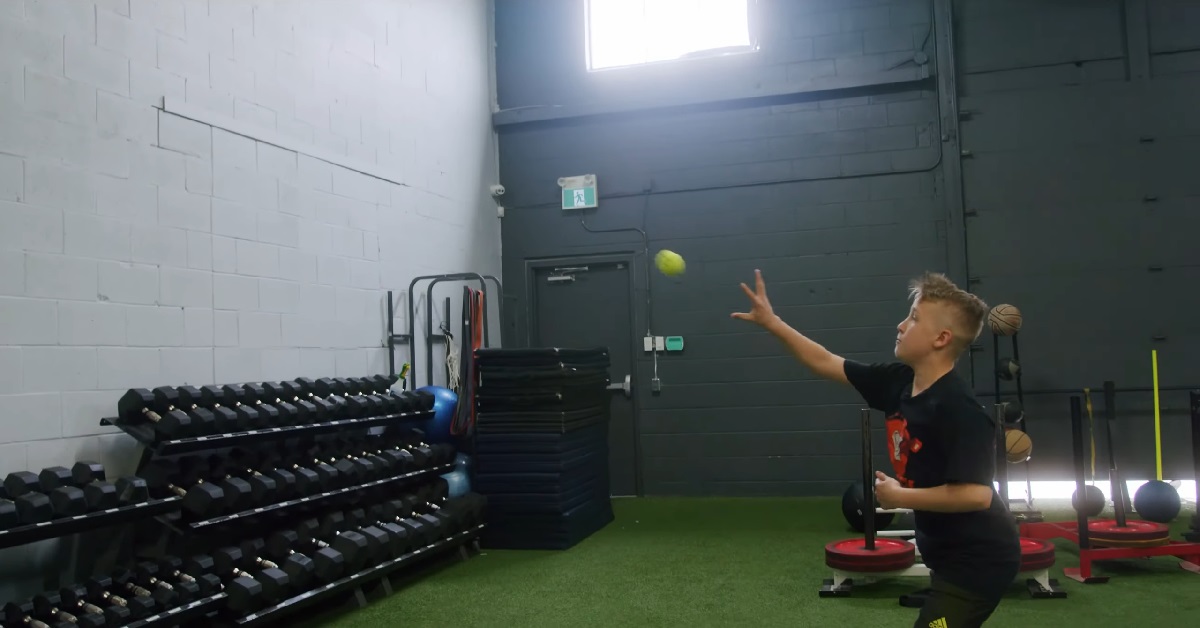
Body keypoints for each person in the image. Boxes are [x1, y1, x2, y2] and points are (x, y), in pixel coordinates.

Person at [732, 269, 1020, 628]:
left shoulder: (960, 410)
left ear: (942, 338)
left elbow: (975, 496)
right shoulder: (899, 382)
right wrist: (772, 322)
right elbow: (826, 361)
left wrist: (900, 496)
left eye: (914, 318)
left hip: (980, 561)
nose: (901, 325)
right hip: (946, 555)